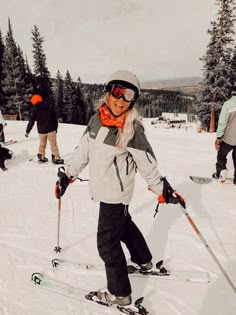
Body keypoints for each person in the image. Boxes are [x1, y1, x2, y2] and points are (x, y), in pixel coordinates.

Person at [54, 70, 184, 306]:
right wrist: (68, 175)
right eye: (117, 92)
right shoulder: (96, 120)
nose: (121, 99)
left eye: (128, 95)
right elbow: (83, 151)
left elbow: (146, 164)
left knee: (107, 243)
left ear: (134, 101)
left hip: (115, 194)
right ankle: (144, 261)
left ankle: (120, 294)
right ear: (108, 92)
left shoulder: (132, 128)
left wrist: (162, 188)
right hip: (106, 191)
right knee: (124, 226)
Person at [25, 94, 64, 164]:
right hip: (51, 129)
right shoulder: (49, 106)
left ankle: (41, 157)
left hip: (41, 130)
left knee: (42, 144)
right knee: (53, 145)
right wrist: (56, 128)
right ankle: (56, 158)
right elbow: (54, 118)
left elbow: (31, 120)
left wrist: (27, 131)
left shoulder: (35, 108)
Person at [212, 92, 236, 184]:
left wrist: (219, 137)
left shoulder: (227, 104)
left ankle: (221, 174)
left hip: (228, 139)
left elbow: (222, 122)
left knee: (221, 155)